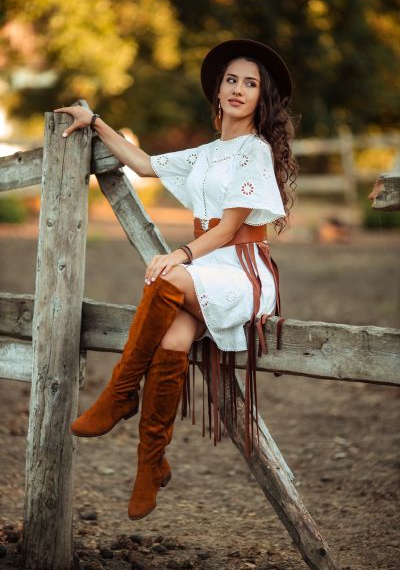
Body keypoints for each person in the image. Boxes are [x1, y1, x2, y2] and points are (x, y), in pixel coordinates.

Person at [53, 38, 298, 521]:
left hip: (242, 269)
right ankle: (151, 463)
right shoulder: (209, 153)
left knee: (165, 279)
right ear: (218, 89)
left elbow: (230, 229)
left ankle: (121, 393)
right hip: (208, 268)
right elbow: (144, 164)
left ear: (261, 98)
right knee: (171, 340)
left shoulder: (254, 151)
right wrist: (96, 120)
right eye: (231, 80)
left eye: (250, 84)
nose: (238, 89)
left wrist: (180, 254)